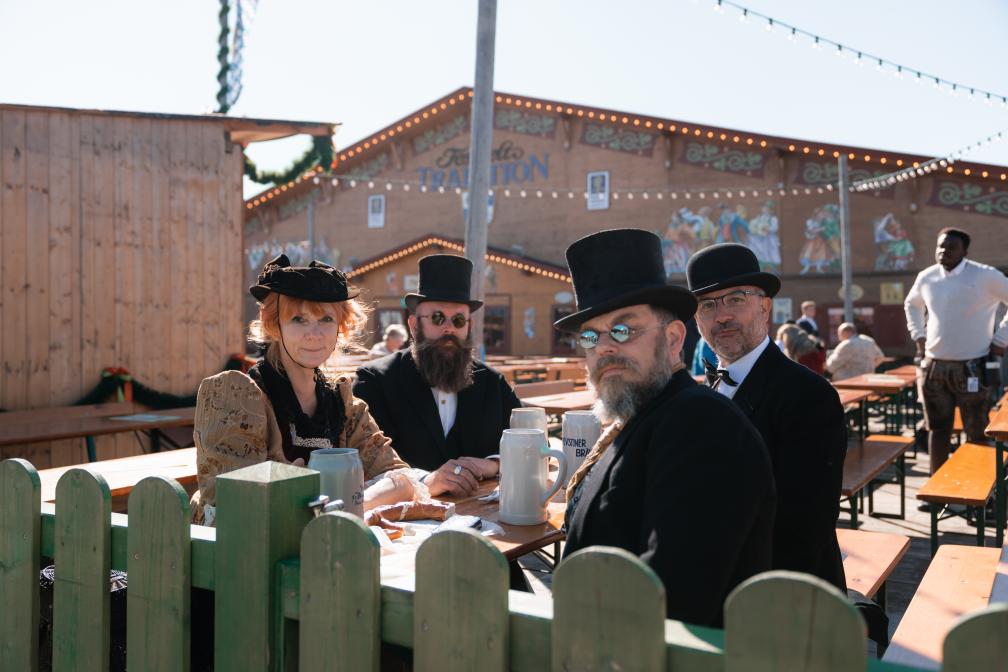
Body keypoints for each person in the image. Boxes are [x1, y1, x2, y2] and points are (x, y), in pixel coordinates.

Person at [559, 229, 775, 628]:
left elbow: (672, 601)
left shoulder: (702, 424)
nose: (604, 347)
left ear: (674, 339)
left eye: (623, 329)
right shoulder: (641, 417)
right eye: (590, 336)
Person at [190, 255, 420, 526]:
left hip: (325, 542)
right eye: (299, 319)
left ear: (341, 327)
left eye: (326, 319)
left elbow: (401, 478)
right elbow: (232, 508)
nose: (315, 334)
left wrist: (342, 506)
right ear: (274, 325)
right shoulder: (237, 396)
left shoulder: (343, 404)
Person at [686, 243, 847, 593]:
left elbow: (803, 530)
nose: (721, 316)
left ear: (765, 306)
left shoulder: (809, 395)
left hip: (782, 598)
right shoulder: (700, 394)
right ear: (696, 320)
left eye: (735, 299)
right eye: (707, 305)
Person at [354, 255, 522, 497]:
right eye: (437, 318)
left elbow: (538, 448)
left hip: (485, 516)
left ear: (469, 326)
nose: (449, 328)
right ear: (414, 326)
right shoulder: (375, 382)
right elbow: (362, 463)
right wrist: (426, 481)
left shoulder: (493, 383)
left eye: (459, 320)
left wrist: (494, 463)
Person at [905, 227, 1008, 473]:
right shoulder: (927, 277)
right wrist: (918, 336)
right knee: (938, 429)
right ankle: (936, 486)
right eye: (940, 246)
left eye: (951, 247)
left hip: (973, 367)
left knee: (977, 432)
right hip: (934, 367)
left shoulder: (985, 275)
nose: (944, 251)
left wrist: (1001, 339)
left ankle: (979, 490)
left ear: (965, 251)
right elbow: (912, 304)